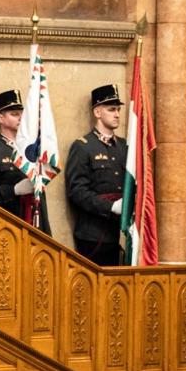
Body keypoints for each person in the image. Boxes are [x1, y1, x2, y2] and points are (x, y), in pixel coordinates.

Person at [0, 89, 51, 235]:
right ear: (0, 118)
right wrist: (14, 190)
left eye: (23, 114)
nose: (21, 118)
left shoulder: (33, 150)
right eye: (14, 114)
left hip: (36, 224)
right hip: (7, 227)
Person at [65, 84, 127, 266]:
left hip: (122, 233)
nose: (117, 114)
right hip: (93, 234)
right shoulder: (83, 146)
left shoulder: (124, 146)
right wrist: (110, 207)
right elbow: (77, 192)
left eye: (118, 109)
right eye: (111, 109)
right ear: (97, 112)